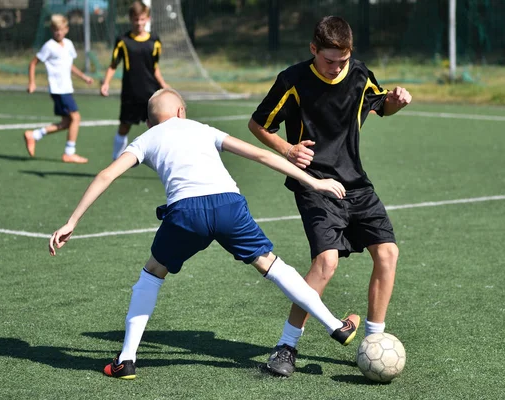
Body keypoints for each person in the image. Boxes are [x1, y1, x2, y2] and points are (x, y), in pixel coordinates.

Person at [48, 88, 360, 380]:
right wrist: (314, 182)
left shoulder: (145, 138)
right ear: (181, 111)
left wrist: (72, 221)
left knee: (153, 273)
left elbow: (107, 174)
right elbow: (261, 155)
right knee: (271, 264)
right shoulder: (201, 128)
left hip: (186, 213)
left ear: (148, 121)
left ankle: (126, 360)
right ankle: (335, 325)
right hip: (228, 204)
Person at [248, 16, 412, 377]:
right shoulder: (292, 81)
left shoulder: (359, 73)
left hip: (356, 183)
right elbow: (258, 124)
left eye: (343, 59)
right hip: (314, 184)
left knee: (388, 253)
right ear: (313, 50)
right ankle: (286, 346)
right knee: (326, 262)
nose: (337, 67)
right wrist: (287, 150)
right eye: (329, 60)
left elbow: (380, 106)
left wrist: (398, 101)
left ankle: (373, 340)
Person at [100, 0, 168, 160]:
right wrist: (106, 83)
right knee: (124, 126)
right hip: (130, 93)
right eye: (136, 19)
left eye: (142, 19)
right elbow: (113, 65)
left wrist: (164, 85)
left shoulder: (155, 41)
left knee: (159, 127)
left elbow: (155, 68)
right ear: (131, 19)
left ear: (148, 19)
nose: (139, 22)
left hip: (151, 93)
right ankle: (116, 160)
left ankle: (161, 161)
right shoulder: (123, 41)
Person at [24, 14, 94, 164]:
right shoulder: (49, 46)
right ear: (52, 30)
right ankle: (69, 153)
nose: (58, 33)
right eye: (55, 30)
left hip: (67, 88)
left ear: (66, 29)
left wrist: (84, 77)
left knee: (67, 122)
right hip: (58, 89)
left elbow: (69, 65)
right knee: (76, 118)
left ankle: (34, 135)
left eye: (61, 29)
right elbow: (33, 63)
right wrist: (32, 82)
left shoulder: (68, 44)